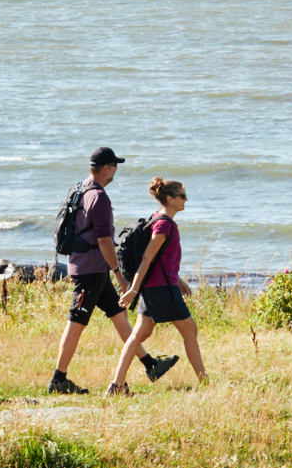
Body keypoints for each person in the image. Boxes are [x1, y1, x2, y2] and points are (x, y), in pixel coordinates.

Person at [49, 144, 176, 397]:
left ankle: (150, 365)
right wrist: (118, 274)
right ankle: (58, 380)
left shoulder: (80, 189)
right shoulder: (99, 198)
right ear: (106, 169)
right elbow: (105, 241)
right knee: (76, 322)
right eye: (115, 166)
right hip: (90, 271)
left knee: (119, 314)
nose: (116, 170)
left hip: (86, 265)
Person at [108, 176, 207, 395]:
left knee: (139, 335)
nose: (186, 200)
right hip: (161, 290)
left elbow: (162, 259)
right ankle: (205, 381)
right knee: (190, 330)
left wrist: (178, 280)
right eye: (182, 196)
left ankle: (116, 385)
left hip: (160, 286)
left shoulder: (158, 219)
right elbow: (147, 259)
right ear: (170, 199)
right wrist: (133, 290)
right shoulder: (163, 224)